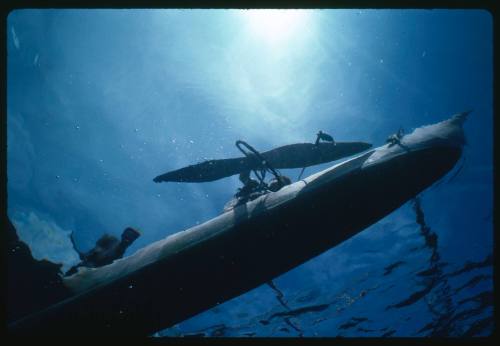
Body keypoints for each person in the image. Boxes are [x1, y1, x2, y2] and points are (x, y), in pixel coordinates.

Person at [65, 227, 141, 276]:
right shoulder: (110, 241)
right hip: (79, 271)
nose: (127, 239)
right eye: (127, 236)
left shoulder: (119, 260)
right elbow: (86, 256)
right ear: (123, 235)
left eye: (131, 238)